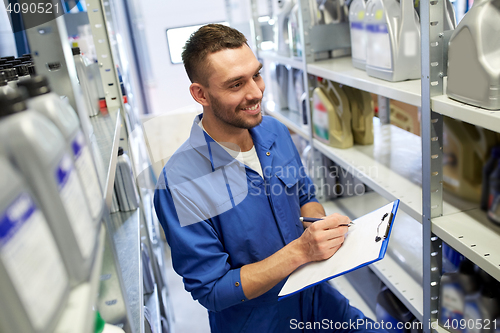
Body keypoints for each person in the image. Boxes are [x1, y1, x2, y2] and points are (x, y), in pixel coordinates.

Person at [154, 24, 384, 332]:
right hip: (260, 323)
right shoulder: (179, 184)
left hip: (316, 299)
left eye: (256, 75)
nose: (256, 92)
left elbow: (305, 196)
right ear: (201, 94)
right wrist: (301, 251)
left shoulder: (273, 131)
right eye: (236, 85)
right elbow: (212, 289)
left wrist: (319, 227)